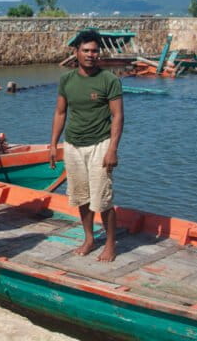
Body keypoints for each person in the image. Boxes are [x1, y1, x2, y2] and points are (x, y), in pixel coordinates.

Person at [49, 29, 124, 262]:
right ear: (76, 52)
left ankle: (111, 244)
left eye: (94, 51)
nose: (90, 55)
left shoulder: (109, 80)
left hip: (100, 145)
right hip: (73, 145)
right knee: (81, 197)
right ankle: (89, 238)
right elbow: (60, 112)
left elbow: (118, 116)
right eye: (86, 50)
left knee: (102, 200)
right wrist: (53, 144)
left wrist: (112, 149)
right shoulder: (67, 80)